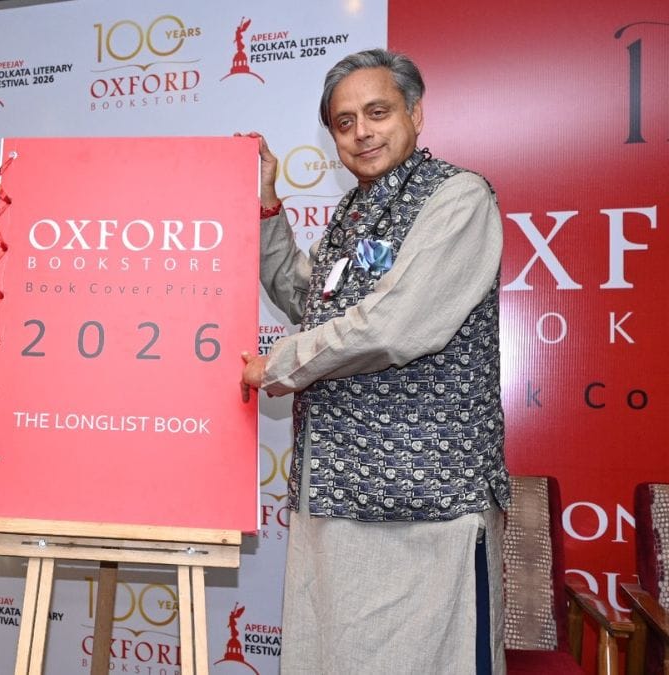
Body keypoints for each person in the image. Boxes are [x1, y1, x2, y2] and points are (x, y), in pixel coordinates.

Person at [239, 48, 510, 674]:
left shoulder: (458, 197)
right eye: (343, 121)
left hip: (424, 505)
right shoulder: (351, 215)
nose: (361, 131)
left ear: (414, 114)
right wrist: (265, 204)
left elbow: (394, 325)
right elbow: (305, 298)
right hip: (335, 495)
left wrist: (277, 364)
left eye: (377, 112)